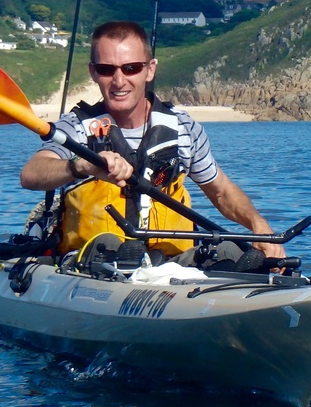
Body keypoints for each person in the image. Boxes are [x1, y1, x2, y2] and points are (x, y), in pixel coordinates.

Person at [20, 20, 285, 267]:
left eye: (131, 68)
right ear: (93, 72)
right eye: (106, 69)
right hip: (93, 264)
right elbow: (32, 174)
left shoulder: (183, 129)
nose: (119, 80)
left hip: (172, 266)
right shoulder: (76, 128)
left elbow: (221, 191)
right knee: (108, 245)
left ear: (150, 70)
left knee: (228, 251)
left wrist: (258, 225)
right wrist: (81, 166)